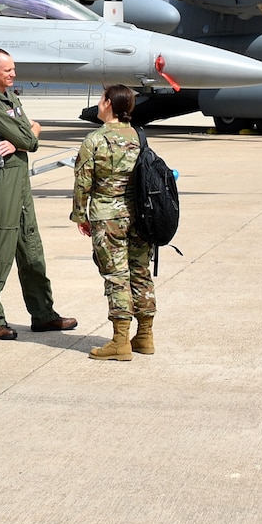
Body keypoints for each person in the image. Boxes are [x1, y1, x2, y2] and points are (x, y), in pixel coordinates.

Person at [0, 48, 76, 340]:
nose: (13, 74)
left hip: (19, 184)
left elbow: (31, 130)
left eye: (13, 69)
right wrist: (26, 137)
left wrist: (25, 136)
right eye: (7, 70)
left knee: (32, 252)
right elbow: (29, 138)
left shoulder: (11, 98)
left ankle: (43, 314)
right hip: (2, 185)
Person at [72, 84, 149, 360]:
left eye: (103, 98)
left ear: (108, 104)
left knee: (117, 277)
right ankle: (144, 336)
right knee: (140, 272)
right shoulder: (140, 137)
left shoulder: (94, 140)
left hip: (108, 218)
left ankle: (120, 341)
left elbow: (83, 182)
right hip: (139, 218)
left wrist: (80, 215)